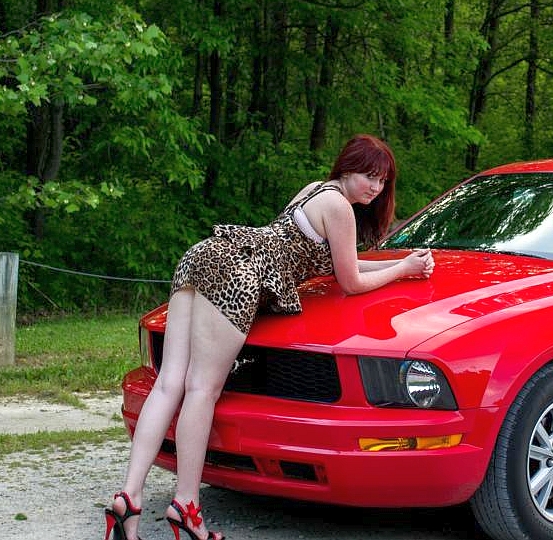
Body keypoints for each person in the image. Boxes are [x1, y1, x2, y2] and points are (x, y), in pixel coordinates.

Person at [103, 134, 434, 540]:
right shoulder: (340, 209)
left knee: (169, 383)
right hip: (237, 274)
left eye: (382, 181)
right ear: (347, 168)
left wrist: (400, 261)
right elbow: (351, 282)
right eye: (370, 176)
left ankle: (128, 498)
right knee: (201, 389)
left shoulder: (314, 190)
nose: (376, 188)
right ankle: (186, 507)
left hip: (205, 254)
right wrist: (402, 271)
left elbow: (342, 260)